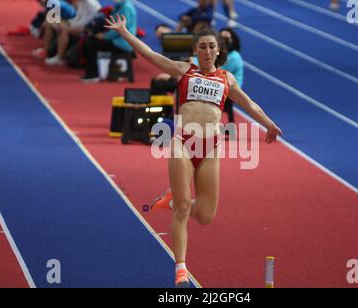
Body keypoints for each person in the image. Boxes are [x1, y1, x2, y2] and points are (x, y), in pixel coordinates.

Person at [104, 15, 283, 287]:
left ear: (219, 50)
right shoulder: (184, 70)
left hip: (210, 147)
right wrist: (125, 33)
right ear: (195, 51)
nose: (208, 51)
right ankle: (180, 268)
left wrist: (268, 124)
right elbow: (149, 54)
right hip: (183, 142)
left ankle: (171, 200)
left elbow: (249, 104)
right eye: (202, 47)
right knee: (185, 209)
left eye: (212, 47)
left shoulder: (227, 79)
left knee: (206, 215)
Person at [81, 0, 137, 82]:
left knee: (91, 44)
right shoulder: (120, 5)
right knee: (91, 40)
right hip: (118, 39)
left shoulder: (126, 8)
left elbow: (120, 29)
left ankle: (92, 75)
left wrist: (104, 36)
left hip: (122, 43)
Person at [44, 0, 102, 66]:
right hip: (81, 26)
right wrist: (68, 23)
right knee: (58, 25)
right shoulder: (82, 2)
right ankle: (47, 50)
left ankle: (60, 57)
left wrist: (69, 25)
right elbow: (77, 18)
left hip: (89, 29)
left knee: (63, 28)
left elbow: (86, 22)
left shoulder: (91, 4)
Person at [219, 27, 243, 125]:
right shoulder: (218, 53)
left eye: (226, 38)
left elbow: (221, 72)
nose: (224, 41)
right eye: (221, 38)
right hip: (222, 84)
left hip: (231, 87)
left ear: (232, 40)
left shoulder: (234, 56)